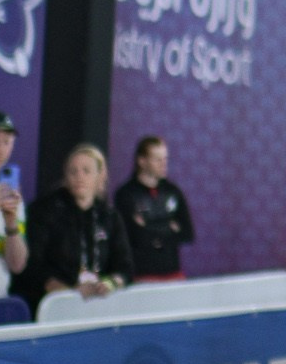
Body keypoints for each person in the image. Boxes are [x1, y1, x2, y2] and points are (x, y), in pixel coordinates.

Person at [12, 144, 133, 317]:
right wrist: (68, 292)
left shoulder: (110, 217)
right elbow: (32, 265)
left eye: (86, 171)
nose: (79, 177)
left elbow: (125, 266)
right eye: (73, 171)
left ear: (101, 175)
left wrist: (111, 283)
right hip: (52, 306)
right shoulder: (44, 211)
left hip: (98, 306)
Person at [114, 135, 196, 280]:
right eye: (158, 159)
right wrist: (169, 227)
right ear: (142, 161)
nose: (164, 164)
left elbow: (187, 233)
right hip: (141, 275)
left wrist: (147, 226)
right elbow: (132, 237)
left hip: (173, 273)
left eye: (165, 159)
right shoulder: (126, 194)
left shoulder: (173, 191)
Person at [0, 109, 28, 297]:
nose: (1, 148)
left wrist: (11, 223)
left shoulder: (9, 193)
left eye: (7, 142)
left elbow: (17, 265)